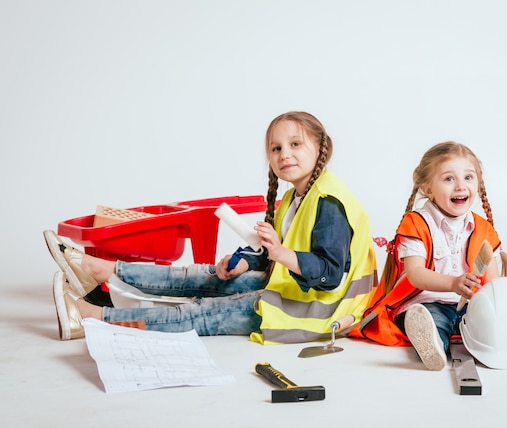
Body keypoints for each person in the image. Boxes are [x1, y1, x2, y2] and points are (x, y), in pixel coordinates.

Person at [45, 111, 378, 344]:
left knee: (202, 314)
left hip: (315, 311)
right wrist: (246, 260)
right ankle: (101, 270)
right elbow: (273, 253)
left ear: (321, 147)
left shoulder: (330, 201)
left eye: (295, 144)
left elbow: (328, 274)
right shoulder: (297, 196)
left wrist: (280, 252)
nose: (283, 155)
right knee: (204, 276)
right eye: (276, 148)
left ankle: (91, 320)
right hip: (293, 291)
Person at [349, 141, 507, 370]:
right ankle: (434, 346)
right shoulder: (417, 223)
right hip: (427, 303)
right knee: (435, 322)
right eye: (448, 178)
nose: (460, 186)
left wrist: (500, 308)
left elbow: (492, 285)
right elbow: (416, 275)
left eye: (468, 177)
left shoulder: (481, 228)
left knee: (503, 327)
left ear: (478, 183)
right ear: (427, 189)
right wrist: (453, 283)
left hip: (470, 306)